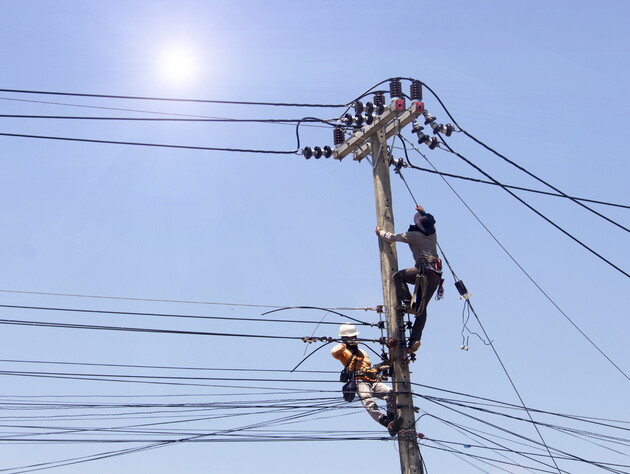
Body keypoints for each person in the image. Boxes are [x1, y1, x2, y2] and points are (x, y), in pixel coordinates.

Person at [375, 205, 442, 353]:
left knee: (398, 276)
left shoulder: (412, 236)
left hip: (423, 272)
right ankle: (414, 341)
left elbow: (392, 238)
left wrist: (380, 233)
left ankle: (407, 303)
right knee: (422, 309)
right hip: (435, 275)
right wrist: (422, 212)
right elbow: (428, 222)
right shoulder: (432, 235)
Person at [331, 323, 402, 436]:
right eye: (351, 337)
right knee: (369, 403)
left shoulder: (362, 352)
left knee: (390, 393)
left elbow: (369, 366)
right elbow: (334, 352)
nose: (354, 339)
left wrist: (378, 370)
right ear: (345, 338)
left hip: (372, 380)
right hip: (360, 381)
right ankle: (386, 422)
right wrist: (344, 344)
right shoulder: (343, 352)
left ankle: (391, 420)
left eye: (355, 337)